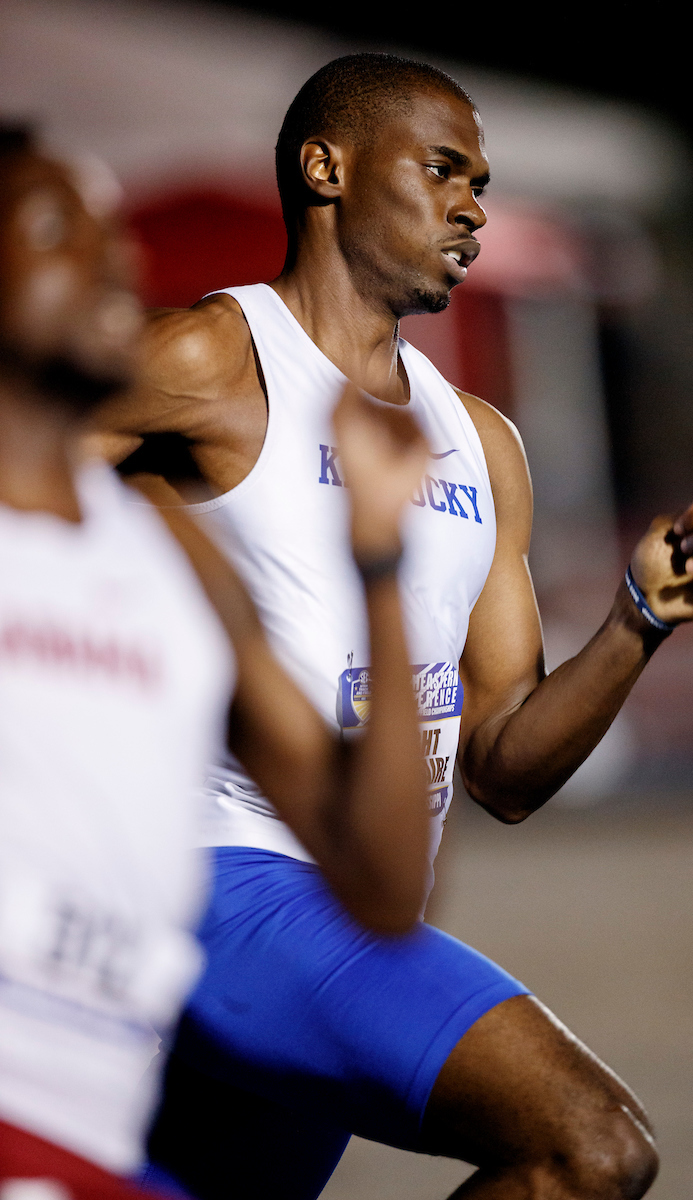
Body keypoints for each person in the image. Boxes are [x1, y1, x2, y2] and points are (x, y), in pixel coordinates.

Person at [90, 53, 693, 1200]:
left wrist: (639, 620)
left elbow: (505, 765)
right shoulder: (210, 359)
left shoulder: (480, 446)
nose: (473, 208)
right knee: (589, 1147)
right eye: (443, 171)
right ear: (325, 167)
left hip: (346, 898)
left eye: (483, 184)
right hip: (221, 881)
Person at [0, 124, 430, 1199]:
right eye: (58, 228)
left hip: (83, 1131)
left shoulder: (160, 550)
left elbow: (379, 885)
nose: (112, 263)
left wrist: (377, 562)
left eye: (116, 236)